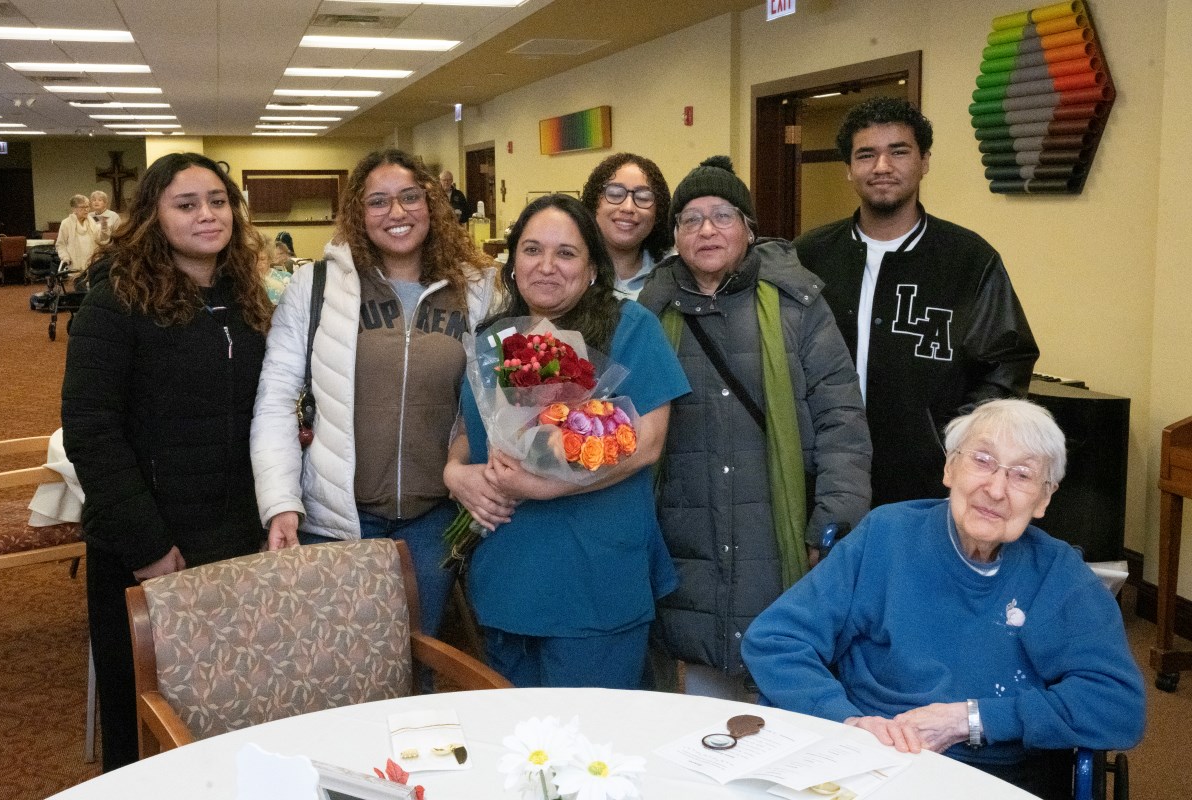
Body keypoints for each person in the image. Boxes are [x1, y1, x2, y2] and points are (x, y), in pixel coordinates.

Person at [743, 398, 1146, 800]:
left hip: (991, 777)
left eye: (1022, 475)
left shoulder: (1059, 576)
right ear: (950, 467)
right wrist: (844, 719)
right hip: (864, 758)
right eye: (983, 460)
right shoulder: (887, 536)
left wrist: (974, 719)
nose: (996, 488)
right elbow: (776, 640)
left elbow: (1118, 705)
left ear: (1044, 498)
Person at [61, 152, 271, 771]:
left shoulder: (244, 296)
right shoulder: (115, 302)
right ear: (153, 216)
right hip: (150, 546)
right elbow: (92, 432)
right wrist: (147, 545)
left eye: (218, 201)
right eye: (186, 205)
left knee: (232, 708)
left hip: (234, 534)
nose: (208, 215)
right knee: (150, 727)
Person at [637, 156, 871, 700]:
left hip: (780, 527)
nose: (707, 229)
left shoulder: (799, 306)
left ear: (749, 228)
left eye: (722, 215)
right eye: (690, 220)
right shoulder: (650, 312)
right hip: (681, 532)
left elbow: (842, 419)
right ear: (675, 237)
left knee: (781, 686)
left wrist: (835, 516)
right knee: (696, 707)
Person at [251, 149, 500, 643]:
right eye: (378, 201)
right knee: (339, 661)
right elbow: (276, 398)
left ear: (432, 204)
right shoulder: (315, 286)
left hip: (436, 517)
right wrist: (279, 502)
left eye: (410, 197)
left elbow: (492, 404)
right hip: (339, 517)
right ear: (358, 214)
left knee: (419, 658)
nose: (397, 212)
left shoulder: (478, 291)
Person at [443, 193, 689, 689]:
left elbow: (647, 442)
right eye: (532, 250)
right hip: (506, 573)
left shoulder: (630, 328)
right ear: (512, 264)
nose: (546, 266)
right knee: (515, 749)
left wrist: (548, 487)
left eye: (566, 253)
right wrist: (455, 473)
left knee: (589, 751)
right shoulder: (491, 338)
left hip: (594, 577)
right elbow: (469, 428)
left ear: (594, 266)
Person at [794, 97, 1039, 507]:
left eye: (899, 152)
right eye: (866, 155)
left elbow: (1005, 363)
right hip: (821, 478)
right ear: (849, 169)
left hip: (927, 483)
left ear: (924, 161)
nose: (882, 167)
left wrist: (957, 441)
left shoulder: (969, 260)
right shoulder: (809, 256)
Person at [580, 152, 672, 300]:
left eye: (643, 198)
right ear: (593, 202)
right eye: (615, 194)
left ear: (658, 212)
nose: (628, 207)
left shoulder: (673, 273)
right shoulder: (568, 269)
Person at [55, 194, 101, 277]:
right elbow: (60, 245)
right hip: (75, 266)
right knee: (81, 289)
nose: (86, 210)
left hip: (93, 265)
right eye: (82, 207)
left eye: (87, 207)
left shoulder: (92, 222)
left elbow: (99, 241)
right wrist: (65, 257)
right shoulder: (66, 223)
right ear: (74, 209)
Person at [258, 234, 293, 303]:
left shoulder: (285, 278)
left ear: (270, 259)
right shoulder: (246, 280)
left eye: (262, 259)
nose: (257, 263)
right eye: (253, 259)